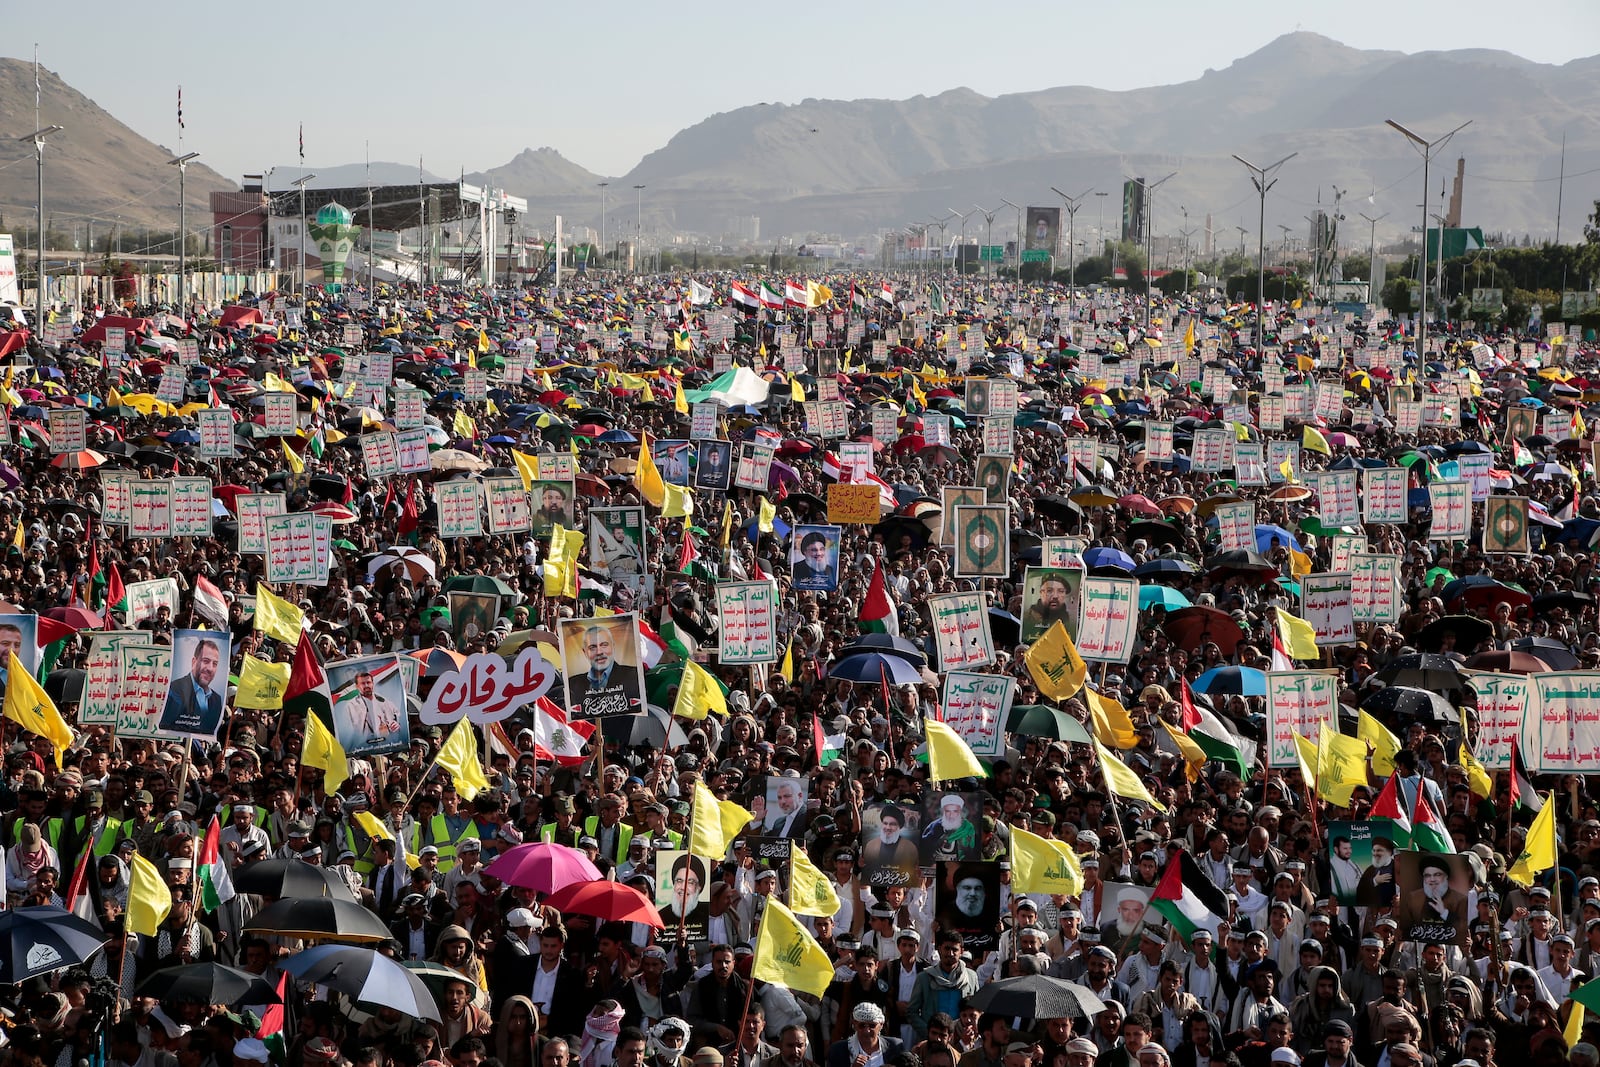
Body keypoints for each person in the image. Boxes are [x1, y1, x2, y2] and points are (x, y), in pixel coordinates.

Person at [566, 622, 642, 714]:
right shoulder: (572, 684)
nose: (599, 652)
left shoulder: (634, 676)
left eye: (604, 645)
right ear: (585, 652)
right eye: (592, 647)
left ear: (613, 646)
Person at [160, 636, 225, 735]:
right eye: (206, 661)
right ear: (194, 662)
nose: (210, 668)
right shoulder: (173, 689)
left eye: (215, 664)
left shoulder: (217, 699)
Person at [1400, 858, 1466, 938]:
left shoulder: (1460, 900)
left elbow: (1462, 930)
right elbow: (1406, 927)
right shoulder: (1413, 897)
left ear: (1446, 876)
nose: (1432, 880)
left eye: (1437, 875)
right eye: (1427, 876)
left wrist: (1444, 913)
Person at [339, 669, 402, 743]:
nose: (366, 686)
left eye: (368, 682)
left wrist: (396, 724)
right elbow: (346, 732)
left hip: (386, 744)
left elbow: (398, 716)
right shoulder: (351, 706)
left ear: (372, 684)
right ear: (357, 686)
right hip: (363, 747)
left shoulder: (384, 701)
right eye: (363, 683)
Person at [920, 795, 979, 863]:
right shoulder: (934, 826)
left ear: (960, 811)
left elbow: (973, 855)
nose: (951, 815)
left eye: (955, 811)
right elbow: (924, 850)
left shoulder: (968, 828)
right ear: (943, 811)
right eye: (948, 811)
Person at [660, 853, 710, 931]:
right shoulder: (661, 915)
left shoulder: (708, 912)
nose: (683, 887)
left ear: (699, 887)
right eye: (679, 881)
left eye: (690, 882)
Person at [1025, 572, 1074, 638]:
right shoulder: (1028, 616)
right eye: (1049, 591)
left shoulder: (1071, 619)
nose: (1055, 596)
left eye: (1061, 591)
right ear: (1041, 593)